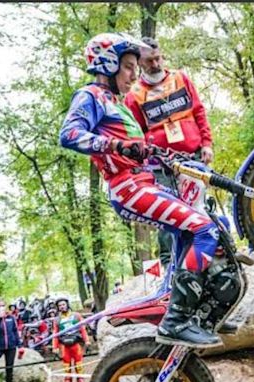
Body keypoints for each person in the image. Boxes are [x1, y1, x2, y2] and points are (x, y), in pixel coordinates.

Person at [59, 32, 222, 348]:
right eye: (129, 67)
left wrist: (160, 154)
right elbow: (69, 134)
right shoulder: (91, 95)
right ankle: (176, 321)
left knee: (195, 231)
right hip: (128, 187)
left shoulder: (117, 104)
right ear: (108, 64)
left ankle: (186, 309)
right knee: (205, 230)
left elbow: (141, 146)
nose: (134, 75)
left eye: (136, 67)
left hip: (144, 181)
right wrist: (115, 145)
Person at [124, 37, 215, 270]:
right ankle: (170, 266)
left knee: (199, 206)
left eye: (158, 58)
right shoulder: (134, 95)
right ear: (140, 63)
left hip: (192, 156)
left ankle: (207, 256)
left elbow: (199, 111)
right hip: (160, 164)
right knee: (168, 213)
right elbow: (135, 134)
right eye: (149, 61)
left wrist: (207, 143)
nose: (155, 64)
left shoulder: (180, 78)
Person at [51, 298, 90, 382]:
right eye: (60, 305)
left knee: (79, 367)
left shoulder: (76, 315)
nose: (62, 307)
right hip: (64, 346)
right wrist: (55, 346)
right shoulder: (57, 320)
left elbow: (82, 329)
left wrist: (86, 340)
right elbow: (55, 333)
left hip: (76, 344)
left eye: (63, 304)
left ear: (67, 305)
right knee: (66, 368)